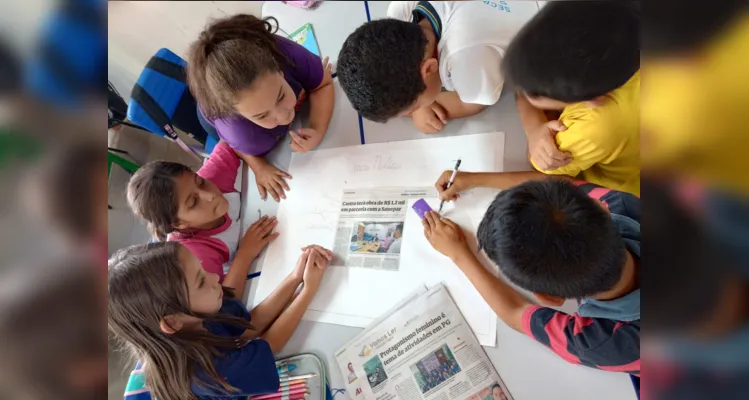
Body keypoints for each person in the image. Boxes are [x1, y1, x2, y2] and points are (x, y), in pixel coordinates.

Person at [423, 178, 640, 374]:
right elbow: (563, 186)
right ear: (601, 207)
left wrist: (459, 254)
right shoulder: (624, 204)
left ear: (549, 298)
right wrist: (476, 178)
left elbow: (516, 312)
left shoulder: (607, 343)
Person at [108, 241, 332, 400]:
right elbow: (268, 345)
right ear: (173, 322)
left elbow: (249, 326)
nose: (215, 277)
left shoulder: (194, 313)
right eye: (200, 282)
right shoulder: (205, 373)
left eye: (203, 270)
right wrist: (308, 291)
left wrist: (294, 278)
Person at [187, 14, 334, 202]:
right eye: (262, 115)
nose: (283, 117)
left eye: (280, 96)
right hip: (218, 124)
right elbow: (234, 147)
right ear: (241, 116)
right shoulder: (243, 134)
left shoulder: (282, 52)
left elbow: (323, 84)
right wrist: (258, 166)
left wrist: (317, 128)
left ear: (279, 69)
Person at [502, 1, 641, 196]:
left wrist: (535, 129)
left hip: (616, 194)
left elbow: (541, 162)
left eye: (535, 93)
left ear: (592, 99)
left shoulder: (593, 127)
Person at [337, 1, 525, 133]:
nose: (414, 112)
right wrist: (416, 103)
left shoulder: (464, 56)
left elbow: (475, 102)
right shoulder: (401, 12)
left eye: (413, 107)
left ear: (429, 68)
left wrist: (420, 112)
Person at [127, 141, 276, 299]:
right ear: (178, 224)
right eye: (193, 202)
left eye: (200, 182)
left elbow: (231, 140)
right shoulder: (194, 255)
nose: (210, 195)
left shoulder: (209, 179)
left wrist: (259, 167)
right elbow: (224, 303)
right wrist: (244, 254)